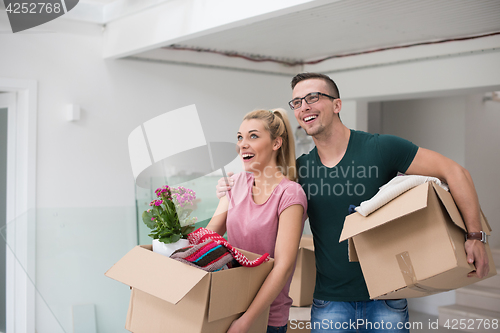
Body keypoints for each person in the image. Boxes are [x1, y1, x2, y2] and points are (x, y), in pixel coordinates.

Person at [217, 73, 489, 332]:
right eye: (297, 102)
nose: (304, 107)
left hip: (387, 299)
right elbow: (264, 207)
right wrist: (230, 189)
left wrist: (475, 236)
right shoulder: (299, 172)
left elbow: (455, 172)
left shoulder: (381, 148)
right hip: (329, 303)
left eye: (312, 97)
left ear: (337, 104)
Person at [207, 108, 308, 333]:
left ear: (276, 143)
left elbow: (283, 267)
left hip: (266, 318)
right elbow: (209, 237)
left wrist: (246, 321)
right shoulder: (234, 184)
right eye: (240, 137)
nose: (242, 144)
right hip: (228, 308)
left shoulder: (290, 194)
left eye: (253, 136)